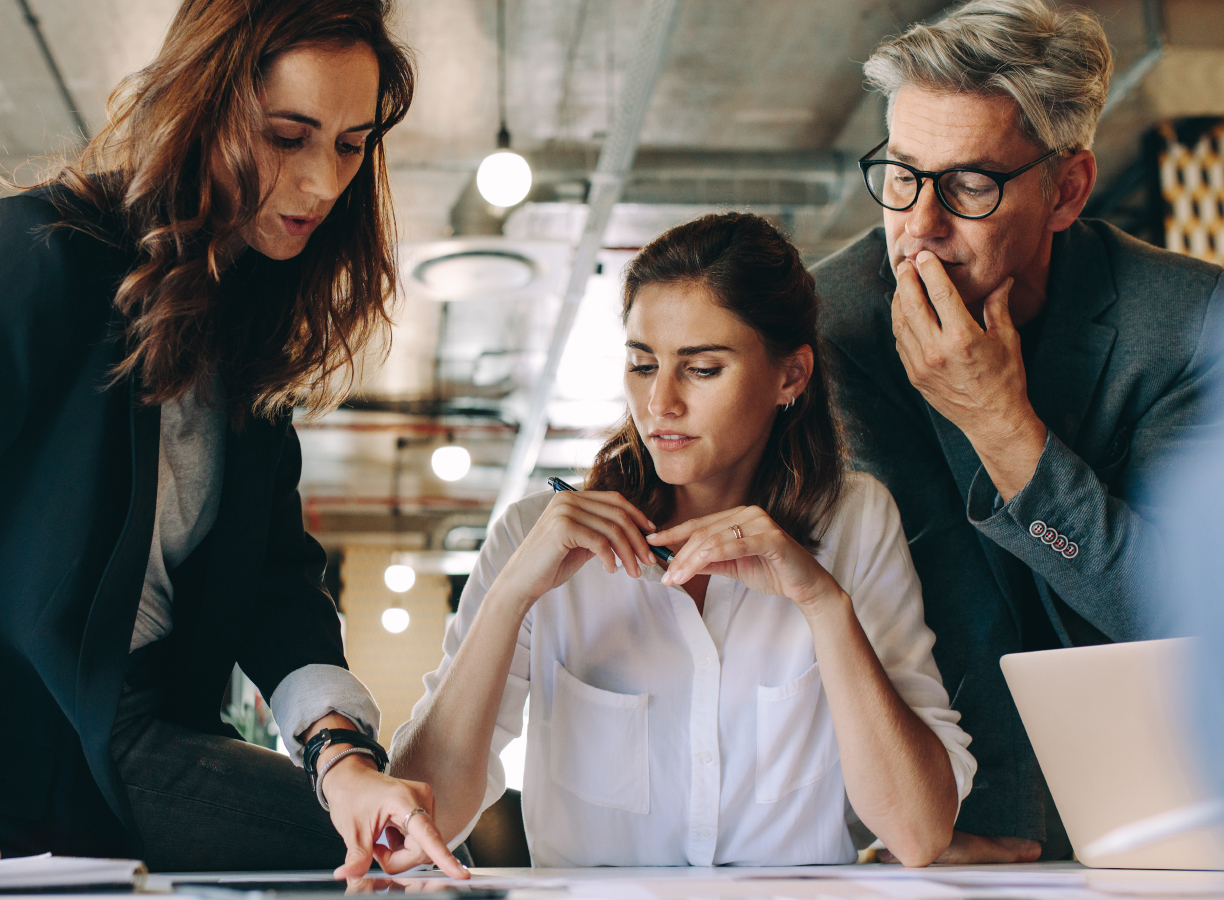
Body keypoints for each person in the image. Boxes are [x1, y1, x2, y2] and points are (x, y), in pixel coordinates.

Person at [0, 0, 467, 879]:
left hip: (146, 734)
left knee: (394, 843)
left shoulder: (244, 323)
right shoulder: (35, 255)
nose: (322, 183)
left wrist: (342, 757)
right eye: (287, 135)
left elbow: (274, 583)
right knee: (392, 867)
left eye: (350, 144)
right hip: (2, 759)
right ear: (202, 108)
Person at [389, 213, 976, 868]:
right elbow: (420, 822)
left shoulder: (857, 522)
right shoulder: (536, 536)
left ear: (791, 376)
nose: (659, 403)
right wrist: (509, 599)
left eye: (700, 369)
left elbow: (919, 833)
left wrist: (823, 604)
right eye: (642, 365)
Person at [813, 0, 1224, 863]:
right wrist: (955, 815)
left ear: (1067, 190)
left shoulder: (1188, 324)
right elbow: (897, 594)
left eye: (968, 184)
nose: (918, 227)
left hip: (1160, 804)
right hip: (930, 823)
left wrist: (1002, 428)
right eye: (900, 173)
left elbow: (1177, 612)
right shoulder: (830, 327)